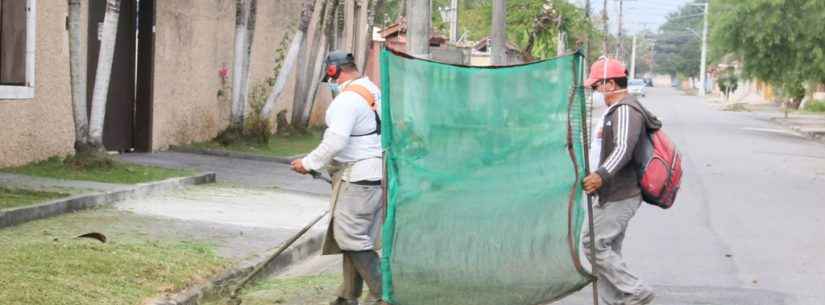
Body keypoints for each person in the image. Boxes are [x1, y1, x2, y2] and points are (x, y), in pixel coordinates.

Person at [291, 51, 385, 305]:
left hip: (359, 178)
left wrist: (308, 162)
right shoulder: (373, 91)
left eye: (329, 76)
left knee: (350, 236)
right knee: (355, 237)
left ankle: (384, 294)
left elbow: (336, 140)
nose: (330, 82)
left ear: (333, 71)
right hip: (372, 176)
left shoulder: (347, 100)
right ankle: (347, 296)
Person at [581, 58, 661, 305]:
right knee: (607, 250)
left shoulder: (626, 109)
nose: (594, 91)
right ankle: (617, 301)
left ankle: (635, 290)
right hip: (611, 192)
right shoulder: (615, 109)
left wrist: (600, 175)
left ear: (610, 84)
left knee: (592, 244)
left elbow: (623, 148)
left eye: (596, 86)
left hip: (620, 192)